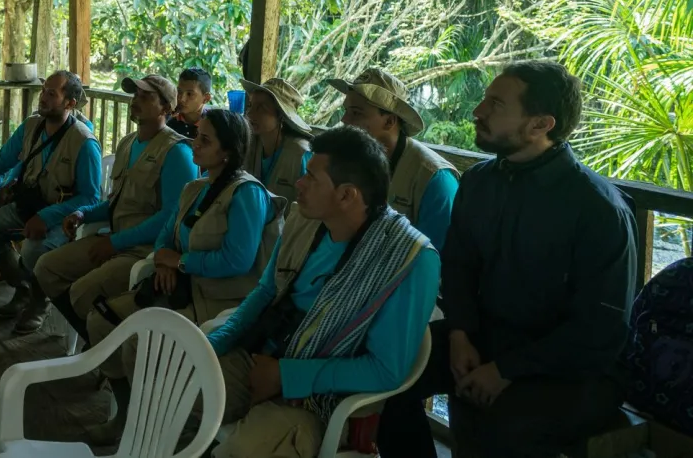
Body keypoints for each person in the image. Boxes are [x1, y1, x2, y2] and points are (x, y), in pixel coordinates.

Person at [377, 62, 635, 458]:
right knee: (387, 375)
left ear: (540, 125)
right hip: (486, 339)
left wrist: (506, 370)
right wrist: (461, 333)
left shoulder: (597, 207)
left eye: (495, 104)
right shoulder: (479, 182)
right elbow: (459, 268)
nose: (478, 111)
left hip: (570, 369)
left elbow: (599, 329)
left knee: (502, 428)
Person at [209, 126, 439, 458]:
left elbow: (385, 370)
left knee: (245, 448)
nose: (299, 184)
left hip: (325, 399)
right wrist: (215, 344)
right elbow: (266, 291)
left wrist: (287, 376)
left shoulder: (409, 259)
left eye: (311, 178)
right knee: (179, 384)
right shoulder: (306, 219)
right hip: (268, 352)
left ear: (347, 195)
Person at [82, 107, 284, 445]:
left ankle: (163, 432)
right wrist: (164, 262)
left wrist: (183, 263)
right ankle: (129, 409)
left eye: (205, 140)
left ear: (228, 151)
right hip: (179, 286)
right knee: (100, 322)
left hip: (218, 301)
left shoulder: (246, 193)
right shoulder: (195, 187)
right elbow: (166, 234)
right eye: (196, 135)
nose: (195, 143)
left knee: (141, 346)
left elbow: (237, 259)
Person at [35, 75, 199, 345]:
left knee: (80, 293)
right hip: (114, 238)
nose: (136, 101)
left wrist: (115, 243)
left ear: (166, 109)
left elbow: (172, 218)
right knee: (46, 268)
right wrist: (84, 214)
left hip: (145, 249)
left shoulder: (176, 152)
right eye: (135, 95)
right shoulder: (128, 143)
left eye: (146, 97)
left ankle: (105, 351)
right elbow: (117, 201)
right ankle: (96, 342)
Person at [0, 71, 102, 334]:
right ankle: (24, 288)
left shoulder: (84, 142)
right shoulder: (31, 127)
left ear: (70, 104)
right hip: (27, 206)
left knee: (32, 250)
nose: (43, 98)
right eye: (43, 91)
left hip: (61, 219)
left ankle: (39, 303)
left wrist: (48, 216)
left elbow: (90, 197)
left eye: (52, 94)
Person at [332, 68, 458, 250]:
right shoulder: (351, 161)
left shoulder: (433, 178)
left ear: (390, 121)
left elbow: (436, 257)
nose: (344, 119)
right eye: (346, 111)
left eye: (356, 113)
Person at [241, 78, 314, 202]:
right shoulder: (250, 144)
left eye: (261, 108)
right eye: (250, 106)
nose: (250, 113)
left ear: (281, 115)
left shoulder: (301, 154)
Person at [170, 67, 213, 138]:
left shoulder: (212, 127)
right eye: (179, 92)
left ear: (206, 98)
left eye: (189, 94)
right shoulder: (169, 122)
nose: (182, 99)